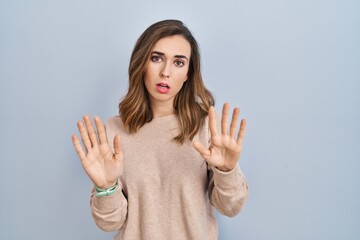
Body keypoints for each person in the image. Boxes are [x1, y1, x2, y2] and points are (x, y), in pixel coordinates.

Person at [71, 19, 248, 240]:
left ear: (188, 74)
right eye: (156, 58)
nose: (165, 72)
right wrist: (106, 187)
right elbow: (109, 223)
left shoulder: (206, 128)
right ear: (141, 63)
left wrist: (227, 171)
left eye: (179, 62)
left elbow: (230, 207)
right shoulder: (114, 132)